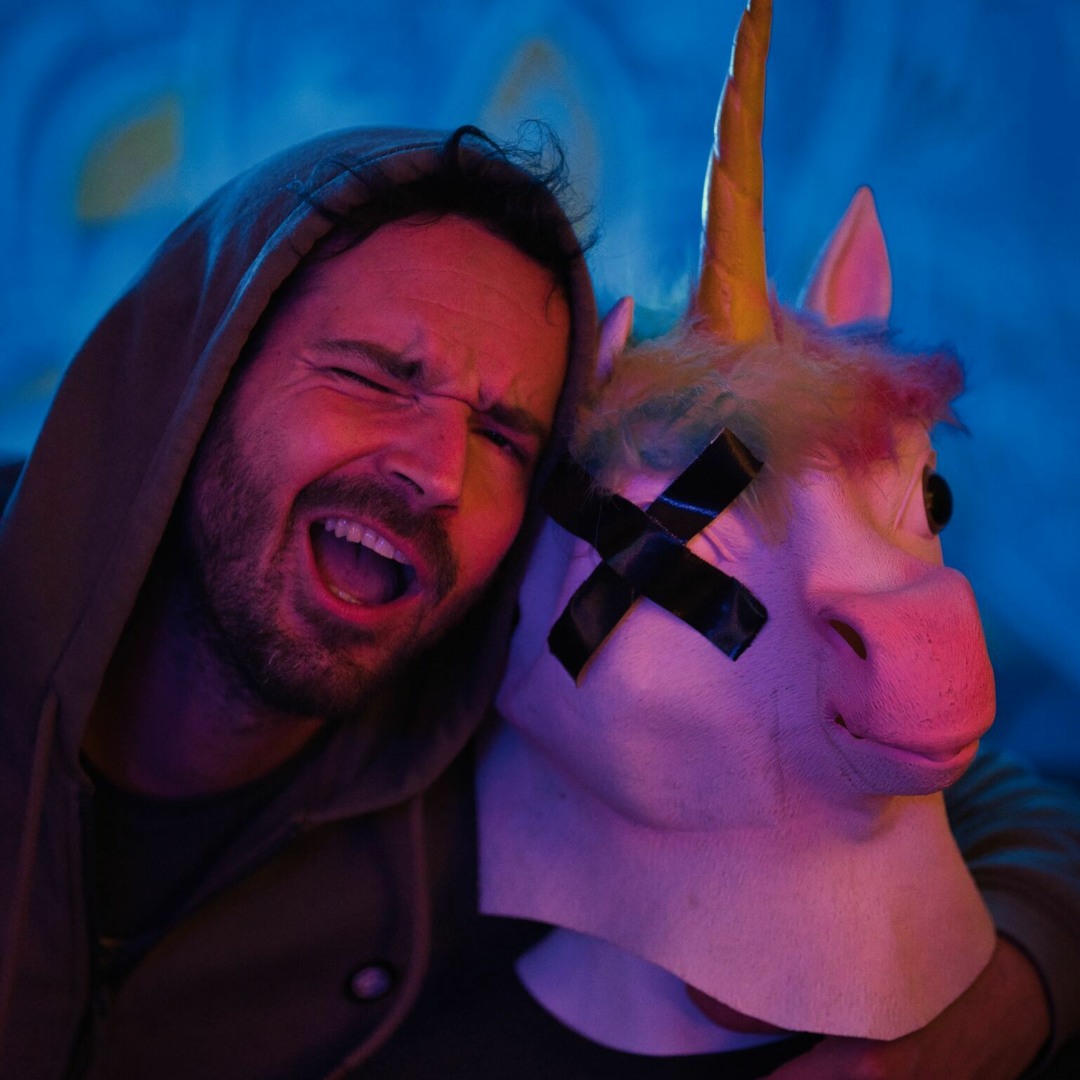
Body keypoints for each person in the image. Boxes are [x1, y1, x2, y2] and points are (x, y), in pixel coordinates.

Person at [0, 123, 1077, 1079]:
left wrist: (987, 1018)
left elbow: (999, 803)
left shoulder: (489, 701)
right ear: (199, 368)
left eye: (503, 434)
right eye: (376, 375)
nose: (439, 471)